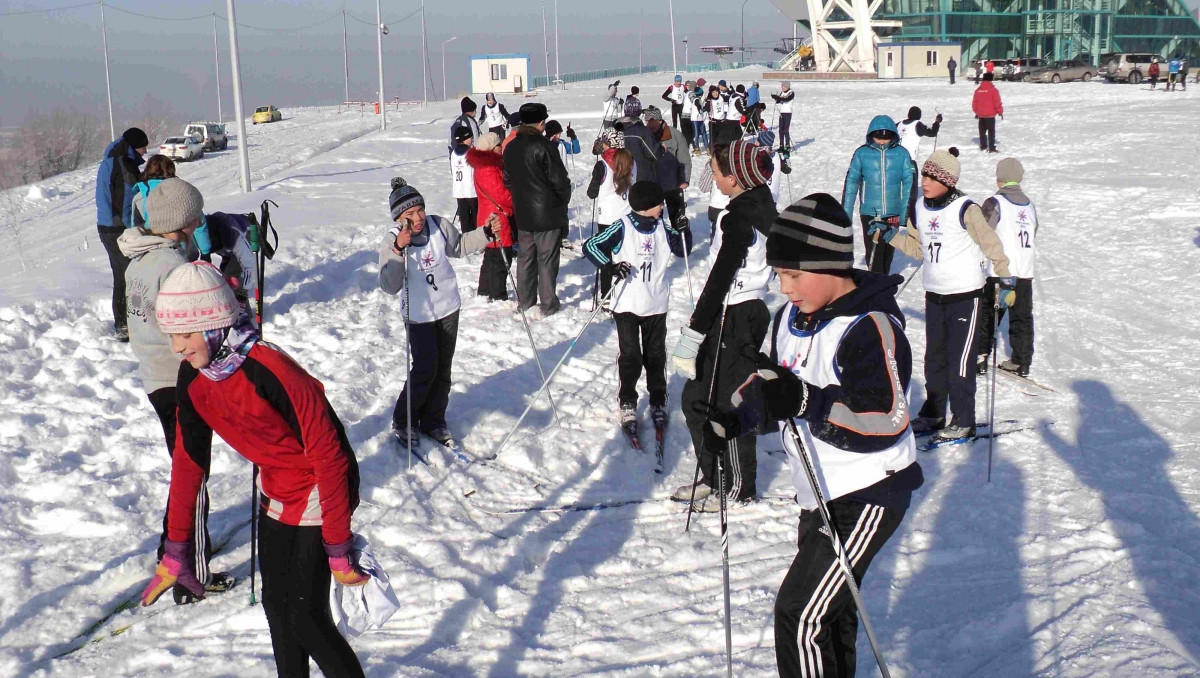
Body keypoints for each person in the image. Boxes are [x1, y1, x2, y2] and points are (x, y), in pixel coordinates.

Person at [713, 191, 923, 678]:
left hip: (870, 489)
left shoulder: (869, 325)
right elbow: (773, 383)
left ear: (830, 265)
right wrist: (733, 417)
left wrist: (809, 402)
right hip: (819, 489)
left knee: (800, 614)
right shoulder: (791, 318)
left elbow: (886, 418)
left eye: (792, 274)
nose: (784, 288)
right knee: (832, 613)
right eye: (779, 275)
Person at [141, 261, 367, 678]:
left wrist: (337, 546)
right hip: (276, 486)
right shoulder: (194, 380)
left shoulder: (271, 369)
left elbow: (330, 456)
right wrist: (176, 550)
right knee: (276, 608)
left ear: (214, 326)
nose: (178, 347)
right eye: (172, 336)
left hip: (320, 486)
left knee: (305, 615)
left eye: (186, 334)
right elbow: (188, 466)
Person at [119, 178, 233, 604]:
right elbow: (193, 322)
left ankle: (174, 549)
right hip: (179, 376)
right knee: (193, 472)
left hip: (154, 377)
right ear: (184, 221)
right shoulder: (175, 268)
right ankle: (189, 573)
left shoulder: (138, 260)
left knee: (185, 466)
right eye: (195, 215)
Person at [869, 148, 1012, 443]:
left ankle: (964, 419)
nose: (925, 181)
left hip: (965, 295)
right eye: (924, 174)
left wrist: (1003, 275)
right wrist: (890, 235)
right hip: (934, 294)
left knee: (959, 360)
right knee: (934, 359)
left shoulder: (965, 209)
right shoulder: (921, 208)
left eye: (933, 177)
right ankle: (934, 413)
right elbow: (920, 249)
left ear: (947, 181)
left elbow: (990, 242)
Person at [671, 140, 777, 509]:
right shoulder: (758, 201)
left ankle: (736, 487)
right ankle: (714, 475)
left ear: (733, 177)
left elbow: (721, 276)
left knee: (727, 404)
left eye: (715, 171)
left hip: (735, 315)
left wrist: (694, 333)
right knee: (695, 398)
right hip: (739, 314)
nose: (712, 177)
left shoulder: (741, 216)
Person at [380, 178, 493, 448]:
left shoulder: (439, 225)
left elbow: (460, 246)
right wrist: (398, 249)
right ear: (399, 218)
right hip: (419, 316)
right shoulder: (393, 240)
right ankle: (404, 419)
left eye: (420, 210)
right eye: (410, 215)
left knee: (443, 370)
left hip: (448, 308)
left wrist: (486, 233)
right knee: (424, 369)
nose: (418, 218)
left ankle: (434, 419)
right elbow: (389, 285)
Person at [583, 181, 690, 432]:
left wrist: (683, 231)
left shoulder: (663, 226)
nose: (662, 207)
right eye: (658, 204)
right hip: (627, 304)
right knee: (631, 356)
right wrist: (610, 267)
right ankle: (628, 402)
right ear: (645, 207)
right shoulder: (623, 226)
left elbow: (682, 249)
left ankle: (658, 400)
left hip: (656, 303)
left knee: (655, 356)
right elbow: (591, 246)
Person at [503, 102, 572, 317]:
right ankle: (548, 304)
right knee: (547, 260)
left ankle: (525, 302)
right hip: (547, 214)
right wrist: (562, 200)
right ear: (541, 122)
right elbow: (559, 181)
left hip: (523, 213)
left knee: (525, 259)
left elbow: (506, 179)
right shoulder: (544, 146)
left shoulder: (511, 146)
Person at [975, 157, 1037, 376]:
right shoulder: (1030, 205)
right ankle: (1022, 361)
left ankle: (980, 356)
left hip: (1000, 271)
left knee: (989, 314)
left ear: (999, 178)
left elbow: (982, 232)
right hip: (1024, 271)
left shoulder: (995, 202)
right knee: (1022, 316)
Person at [841, 115, 914, 275]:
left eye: (886, 138)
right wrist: (845, 214)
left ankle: (882, 286)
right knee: (874, 253)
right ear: (870, 135)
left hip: (892, 213)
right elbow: (852, 182)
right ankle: (875, 288)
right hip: (870, 213)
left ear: (893, 136)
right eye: (878, 137)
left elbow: (909, 182)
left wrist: (904, 214)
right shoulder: (862, 153)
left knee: (888, 252)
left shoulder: (901, 154)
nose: (882, 141)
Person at [96, 126, 149, 342]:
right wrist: (134, 230)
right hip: (117, 228)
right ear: (135, 147)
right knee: (126, 276)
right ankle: (123, 326)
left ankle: (127, 322)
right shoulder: (123, 165)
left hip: (107, 226)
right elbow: (126, 203)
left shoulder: (111, 160)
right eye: (144, 147)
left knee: (125, 275)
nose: (145, 152)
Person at [586, 129, 636, 303]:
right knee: (624, 254)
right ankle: (626, 291)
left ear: (607, 144)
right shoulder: (631, 161)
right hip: (627, 217)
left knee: (605, 257)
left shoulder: (602, 164)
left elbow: (591, 193)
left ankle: (606, 295)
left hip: (607, 218)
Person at [469, 132, 516, 302]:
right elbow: (500, 194)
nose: (501, 148)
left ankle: (485, 291)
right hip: (496, 217)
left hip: (488, 214)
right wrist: (516, 200)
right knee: (501, 257)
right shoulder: (488, 168)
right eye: (498, 145)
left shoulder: (482, 166)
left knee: (491, 256)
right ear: (491, 148)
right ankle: (497, 294)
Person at [643, 106, 691, 232]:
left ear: (660, 120)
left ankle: (681, 244)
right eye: (647, 121)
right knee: (653, 220)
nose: (650, 124)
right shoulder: (644, 135)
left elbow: (684, 159)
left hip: (673, 185)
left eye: (653, 121)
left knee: (677, 219)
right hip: (652, 186)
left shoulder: (675, 134)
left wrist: (685, 180)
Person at [545, 120, 581, 245]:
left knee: (563, 210)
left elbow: (576, 150)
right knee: (550, 210)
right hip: (548, 182)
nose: (559, 136)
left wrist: (573, 137)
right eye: (556, 134)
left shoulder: (562, 144)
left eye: (560, 134)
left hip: (562, 181)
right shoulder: (544, 144)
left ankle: (563, 235)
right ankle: (551, 235)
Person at [450, 126, 478, 234]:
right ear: (465, 139)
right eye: (470, 138)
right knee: (476, 215)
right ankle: (476, 237)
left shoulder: (453, 153)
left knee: (464, 216)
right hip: (471, 190)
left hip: (459, 190)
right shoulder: (470, 152)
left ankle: (466, 236)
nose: (472, 140)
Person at [973, 73, 1004, 153]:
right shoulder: (993, 90)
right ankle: (991, 147)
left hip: (981, 116)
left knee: (982, 132)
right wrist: (1000, 111)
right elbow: (997, 102)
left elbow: (974, 103)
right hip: (990, 116)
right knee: (991, 132)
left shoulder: (978, 90)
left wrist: (977, 112)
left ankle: (983, 146)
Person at [770, 82, 795, 150]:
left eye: (782, 86)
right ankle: (781, 145)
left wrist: (778, 97)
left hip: (787, 113)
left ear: (786, 86)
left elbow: (786, 99)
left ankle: (787, 145)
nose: (781, 88)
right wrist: (776, 98)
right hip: (781, 113)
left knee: (785, 130)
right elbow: (780, 100)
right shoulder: (782, 93)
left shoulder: (791, 92)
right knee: (780, 130)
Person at [688, 81, 710, 155]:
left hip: (700, 119)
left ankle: (707, 148)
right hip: (695, 119)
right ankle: (697, 148)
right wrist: (703, 108)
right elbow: (699, 107)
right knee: (696, 134)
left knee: (704, 133)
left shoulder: (700, 99)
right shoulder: (696, 100)